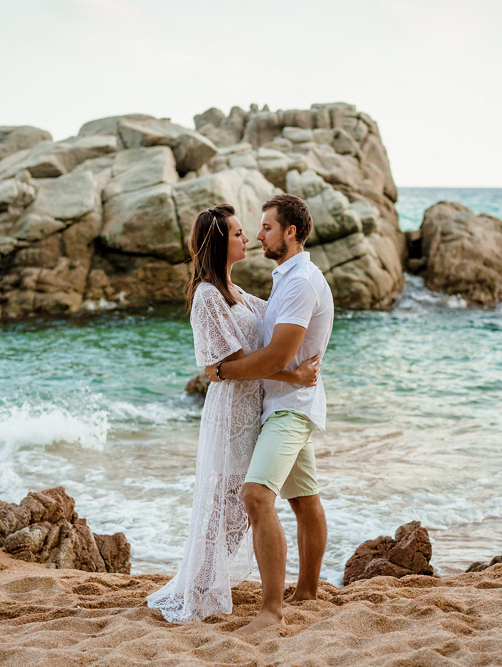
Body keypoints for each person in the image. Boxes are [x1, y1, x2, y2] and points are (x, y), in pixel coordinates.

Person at [146, 204, 319, 625]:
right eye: (240, 233)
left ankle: (214, 583)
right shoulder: (208, 295)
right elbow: (241, 360)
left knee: (239, 505)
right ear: (221, 241)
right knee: (227, 503)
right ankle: (202, 588)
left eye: (252, 231)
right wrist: (292, 378)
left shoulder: (237, 292)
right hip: (233, 412)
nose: (249, 238)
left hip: (256, 407)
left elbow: (272, 334)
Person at [205, 193, 334, 635]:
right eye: (254, 228)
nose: (259, 235)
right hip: (283, 403)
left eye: (266, 227)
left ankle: (271, 612)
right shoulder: (288, 278)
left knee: (256, 496)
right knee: (304, 499)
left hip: (288, 410)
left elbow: (277, 354)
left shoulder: (299, 282)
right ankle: (310, 591)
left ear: (290, 232)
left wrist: (220, 371)